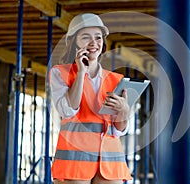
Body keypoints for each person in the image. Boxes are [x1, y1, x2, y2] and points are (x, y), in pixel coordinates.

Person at [50, 13, 132, 184]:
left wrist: (124, 111)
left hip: (110, 163)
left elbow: (117, 131)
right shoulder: (61, 73)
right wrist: (81, 72)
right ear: (74, 42)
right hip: (75, 161)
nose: (94, 43)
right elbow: (68, 110)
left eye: (98, 37)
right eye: (86, 37)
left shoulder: (116, 80)